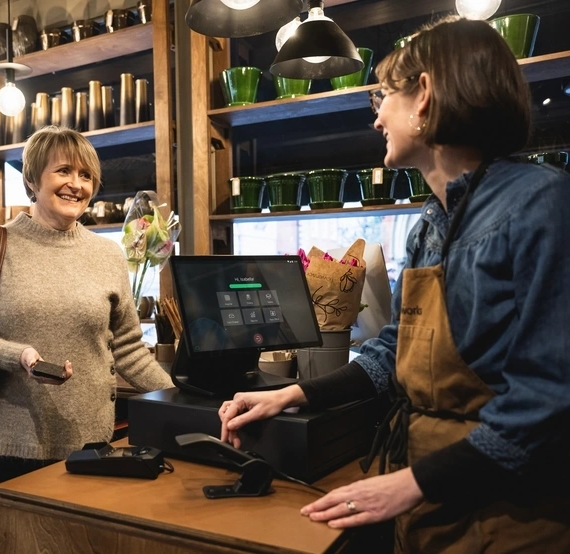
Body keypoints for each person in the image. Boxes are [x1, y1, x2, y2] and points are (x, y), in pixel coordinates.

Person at [219, 16, 570, 552]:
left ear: (424, 95)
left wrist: (409, 485)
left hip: (509, 514)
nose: (378, 115)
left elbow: (549, 400)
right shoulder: (432, 220)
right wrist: (294, 394)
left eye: (384, 95)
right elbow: (393, 351)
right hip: (434, 504)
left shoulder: (539, 202)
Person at [0, 126, 173, 542]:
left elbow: (129, 348)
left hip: (92, 447)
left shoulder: (107, 254)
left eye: (86, 175)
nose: (76, 184)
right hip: (10, 447)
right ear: (32, 179)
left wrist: (180, 399)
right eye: (63, 170)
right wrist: (19, 355)